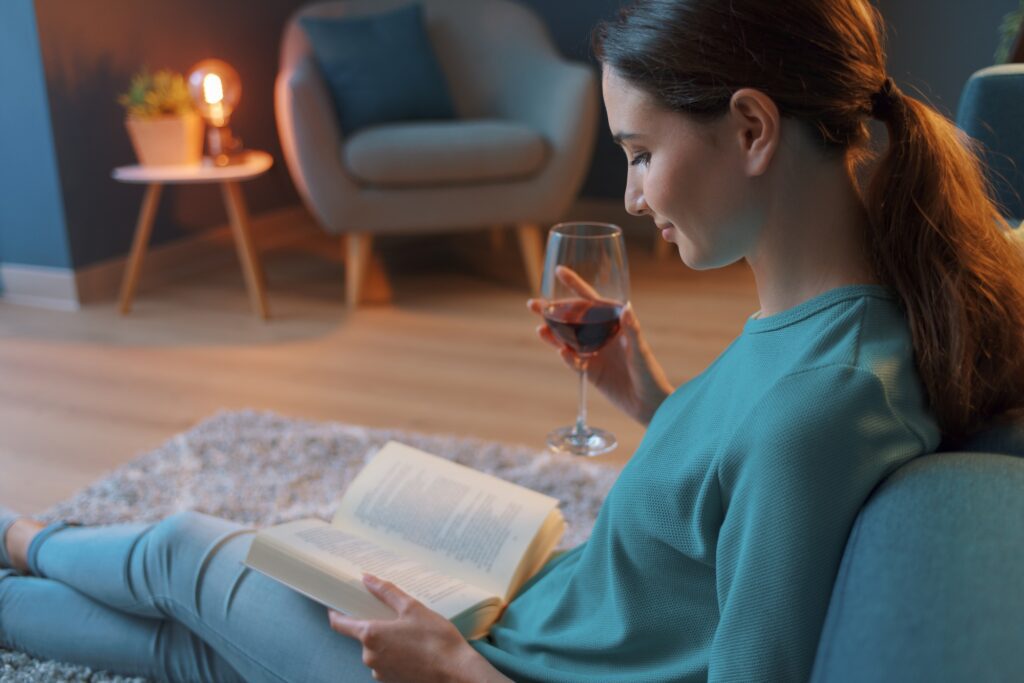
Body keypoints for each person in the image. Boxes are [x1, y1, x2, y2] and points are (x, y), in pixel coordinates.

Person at [4, 0, 1024, 680]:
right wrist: (644, 393)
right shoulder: (838, 320)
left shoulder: (827, 397)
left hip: (499, 665)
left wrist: (450, 666)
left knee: (192, 548)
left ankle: (17, 539)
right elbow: (735, 501)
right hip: (530, 615)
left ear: (751, 129)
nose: (628, 194)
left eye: (638, 153)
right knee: (201, 648)